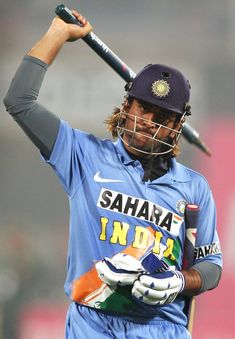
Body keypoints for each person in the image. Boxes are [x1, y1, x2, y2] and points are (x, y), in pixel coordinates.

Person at [4, 9, 222, 339]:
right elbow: (19, 101)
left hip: (162, 330)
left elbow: (211, 266)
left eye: (162, 115)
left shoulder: (193, 187)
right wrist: (57, 35)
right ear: (127, 106)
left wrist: (178, 281)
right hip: (92, 324)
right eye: (143, 108)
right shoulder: (82, 155)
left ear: (177, 127)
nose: (149, 120)